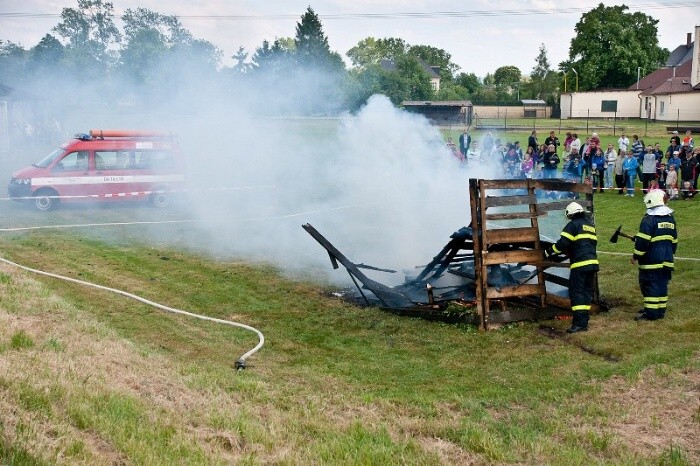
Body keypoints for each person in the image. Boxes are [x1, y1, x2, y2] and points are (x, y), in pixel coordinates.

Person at [545, 202, 599, 333]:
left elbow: (562, 244)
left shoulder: (572, 225)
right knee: (586, 292)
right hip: (592, 264)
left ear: (570, 214)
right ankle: (584, 321)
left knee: (576, 292)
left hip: (580, 265)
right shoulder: (590, 226)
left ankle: (579, 324)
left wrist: (548, 252)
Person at [632, 190, 677, 321]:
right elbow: (674, 241)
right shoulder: (670, 218)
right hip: (667, 259)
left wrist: (636, 256)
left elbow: (642, 242)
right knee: (662, 285)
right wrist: (669, 254)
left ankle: (651, 314)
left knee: (650, 285)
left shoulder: (649, 219)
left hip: (652, 260)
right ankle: (660, 311)